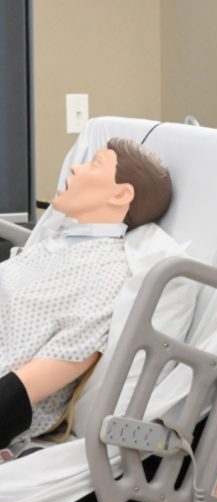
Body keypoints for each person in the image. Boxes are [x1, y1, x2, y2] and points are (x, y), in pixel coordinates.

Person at [0, 138, 172, 454]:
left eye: (94, 165)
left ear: (121, 194)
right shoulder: (57, 244)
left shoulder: (106, 275)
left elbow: (23, 390)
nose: (76, 169)